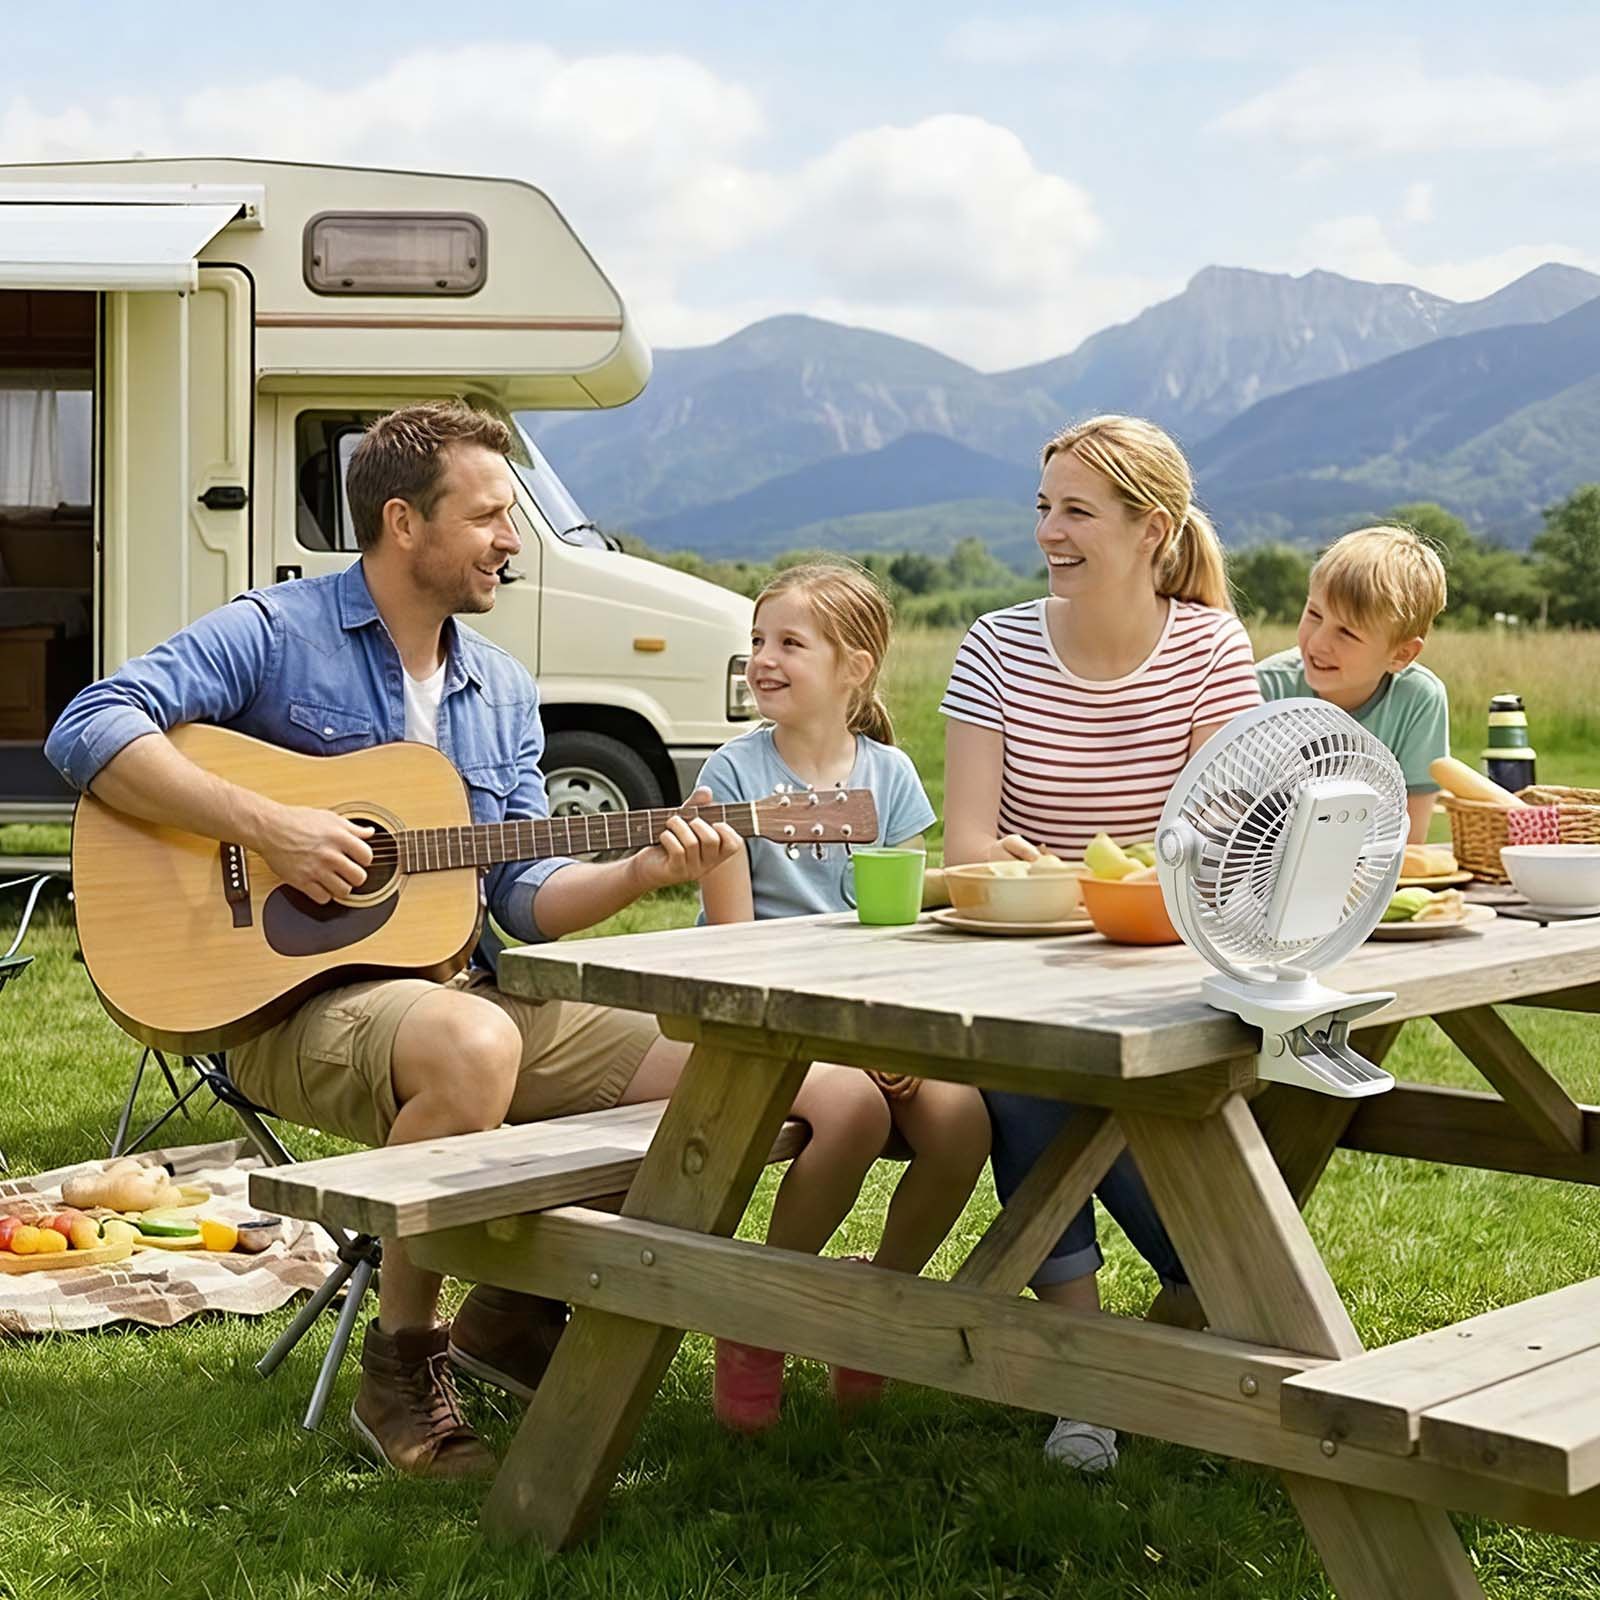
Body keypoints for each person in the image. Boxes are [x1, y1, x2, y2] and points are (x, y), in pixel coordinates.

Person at [44, 402, 745, 1478]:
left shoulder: (500, 685)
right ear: (404, 523)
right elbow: (91, 722)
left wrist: (638, 870)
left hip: (453, 987)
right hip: (287, 1008)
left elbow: (517, 892)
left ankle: (514, 1310)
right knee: (472, 1045)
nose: (513, 540)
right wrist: (268, 823)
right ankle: (400, 1368)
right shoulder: (278, 631)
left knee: (706, 1066)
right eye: (492, 516)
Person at [940, 414, 1261, 1473]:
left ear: (1149, 529)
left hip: (1174, 970)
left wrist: (1071, 873)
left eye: (1077, 510)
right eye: (1043, 507)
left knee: (1126, 1096)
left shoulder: (1210, 649)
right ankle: (1089, 1380)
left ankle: (1201, 1293)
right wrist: (1100, 875)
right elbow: (972, 849)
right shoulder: (994, 647)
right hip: (1022, 970)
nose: (1049, 532)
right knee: (1032, 1081)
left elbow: (1213, 847)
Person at [696, 562, 991, 1432]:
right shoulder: (733, 771)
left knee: (963, 1120)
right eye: (758, 641)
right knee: (856, 1110)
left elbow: (898, 931)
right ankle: (765, 1309)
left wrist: (897, 1035)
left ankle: (873, 1301)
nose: (764, 659)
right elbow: (736, 950)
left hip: (871, 1014)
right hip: (761, 1022)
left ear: (853, 668)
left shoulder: (890, 777)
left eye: (790, 643)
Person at [1255, 525, 1450, 844]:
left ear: (1401, 654)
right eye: (1315, 614)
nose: (1318, 642)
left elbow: (1411, 843)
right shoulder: (1264, 689)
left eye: (1347, 633)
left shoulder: (1419, 700)